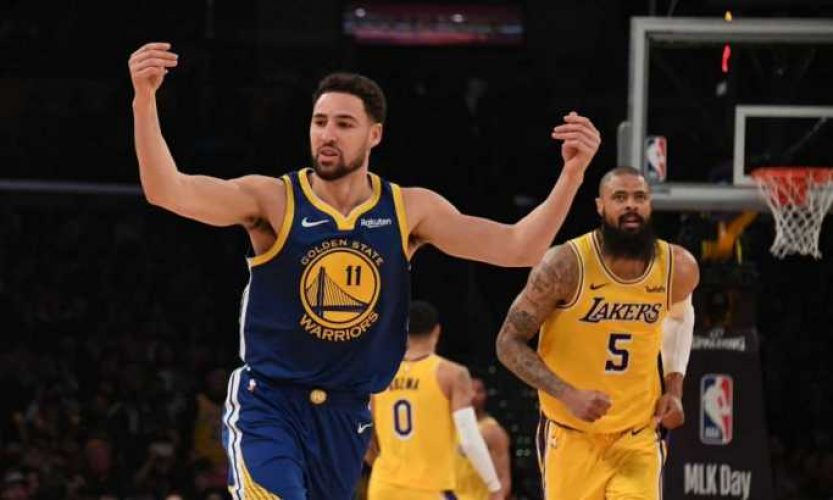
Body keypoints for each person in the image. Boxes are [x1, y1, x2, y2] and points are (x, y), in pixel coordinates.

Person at [128, 41, 600, 500]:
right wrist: (144, 100)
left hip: (347, 413)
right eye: (319, 122)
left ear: (374, 135)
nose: (327, 134)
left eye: (344, 123)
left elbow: (519, 248)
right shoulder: (273, 199)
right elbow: (168, 190)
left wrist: (572, 175)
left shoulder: (408, 209)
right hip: (270, 404)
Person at [495, 166, 699, 499]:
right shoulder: (564, 265)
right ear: (600, 206)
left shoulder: (678, 267)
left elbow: (680, 317)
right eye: (619, 197)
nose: (631, 204)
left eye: (640, 197)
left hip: (637, 435)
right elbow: (508, 342)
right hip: (571, 436)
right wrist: (567, 394)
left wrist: (674, 388)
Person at [366, 301, 503, 500]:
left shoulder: (380, 373)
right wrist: (493, 485)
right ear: (437, 330)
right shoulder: (452, 374)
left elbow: (366, 436)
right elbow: (469, 439)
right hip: (429, 489)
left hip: (383, 487)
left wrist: (385, 469)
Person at [453, 376, 512, 500]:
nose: (473, 395)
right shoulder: (449, 426)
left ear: (485, 395)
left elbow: (504, 478)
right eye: (469, 390)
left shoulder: (493, 431)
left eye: (478, 391)